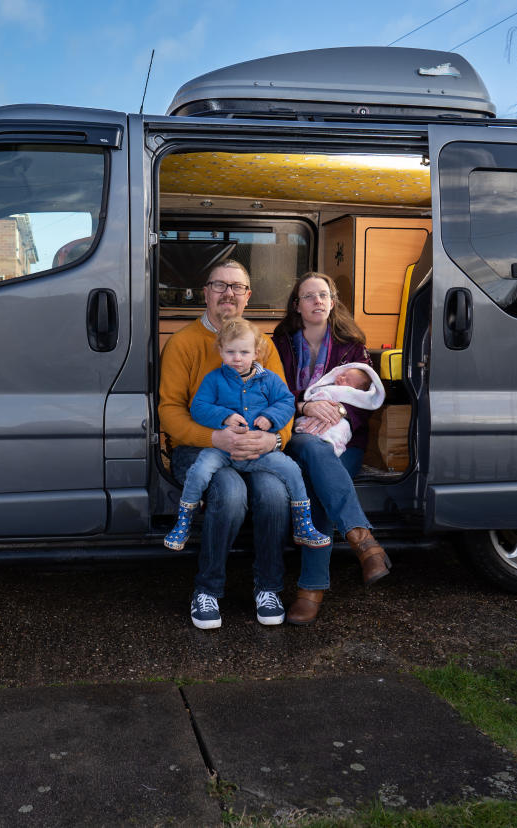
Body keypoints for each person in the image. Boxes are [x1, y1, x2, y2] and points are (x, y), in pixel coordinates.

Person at [159, 260, 294, 630]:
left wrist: (274, 438)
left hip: (256, 446)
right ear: (206, 293)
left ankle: (268, 587)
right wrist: (213, 437)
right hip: (200, 448)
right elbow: (169, 410)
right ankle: (208, 591)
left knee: (273, 493)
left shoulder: (262, 345)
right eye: (220, 285)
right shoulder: (183, 343)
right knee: (230, 492)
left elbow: (285, 403)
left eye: (237, 287)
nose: (228, 293)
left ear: (247, 297)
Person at [272, 272, 391, 626]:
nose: (317, 301)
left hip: (345, 442)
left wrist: (338, 409)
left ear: (333, 301)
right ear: (297, 305)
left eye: (323, 295)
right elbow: (271, 392)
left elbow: (365, 396)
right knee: (310, 448)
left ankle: (312, 588)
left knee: (316, 487)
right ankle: (363, 541)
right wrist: (304, 407)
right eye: (309, 296)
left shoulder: (352, 345)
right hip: (296, 433)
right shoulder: (279, 343)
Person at [164, 318, 332, 552]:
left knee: (292, 470)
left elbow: (286, 402)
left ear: (256, 353)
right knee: (199, 470)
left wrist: (271, 417)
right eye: (230, 352)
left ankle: (303, 525)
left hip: (258, 452)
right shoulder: (213, 379)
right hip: (222, 450)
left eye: (244, 352)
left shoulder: (269, 380)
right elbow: (199, 407)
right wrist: (224, 417)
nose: (237, 358)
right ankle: (184, 522)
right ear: (221, 351)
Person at [296, 362, 385, 456]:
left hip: (342, 426)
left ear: (356, 390)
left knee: (341, 428)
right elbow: (319, 393)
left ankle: (334, 443)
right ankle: (306, 430)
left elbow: (365, 404)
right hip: (308, 420)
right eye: (343, 375)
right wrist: (305, 405)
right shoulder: (329, 386)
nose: (341, 378)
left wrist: (339, 410)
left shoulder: (356, 395)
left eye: (347, 380)